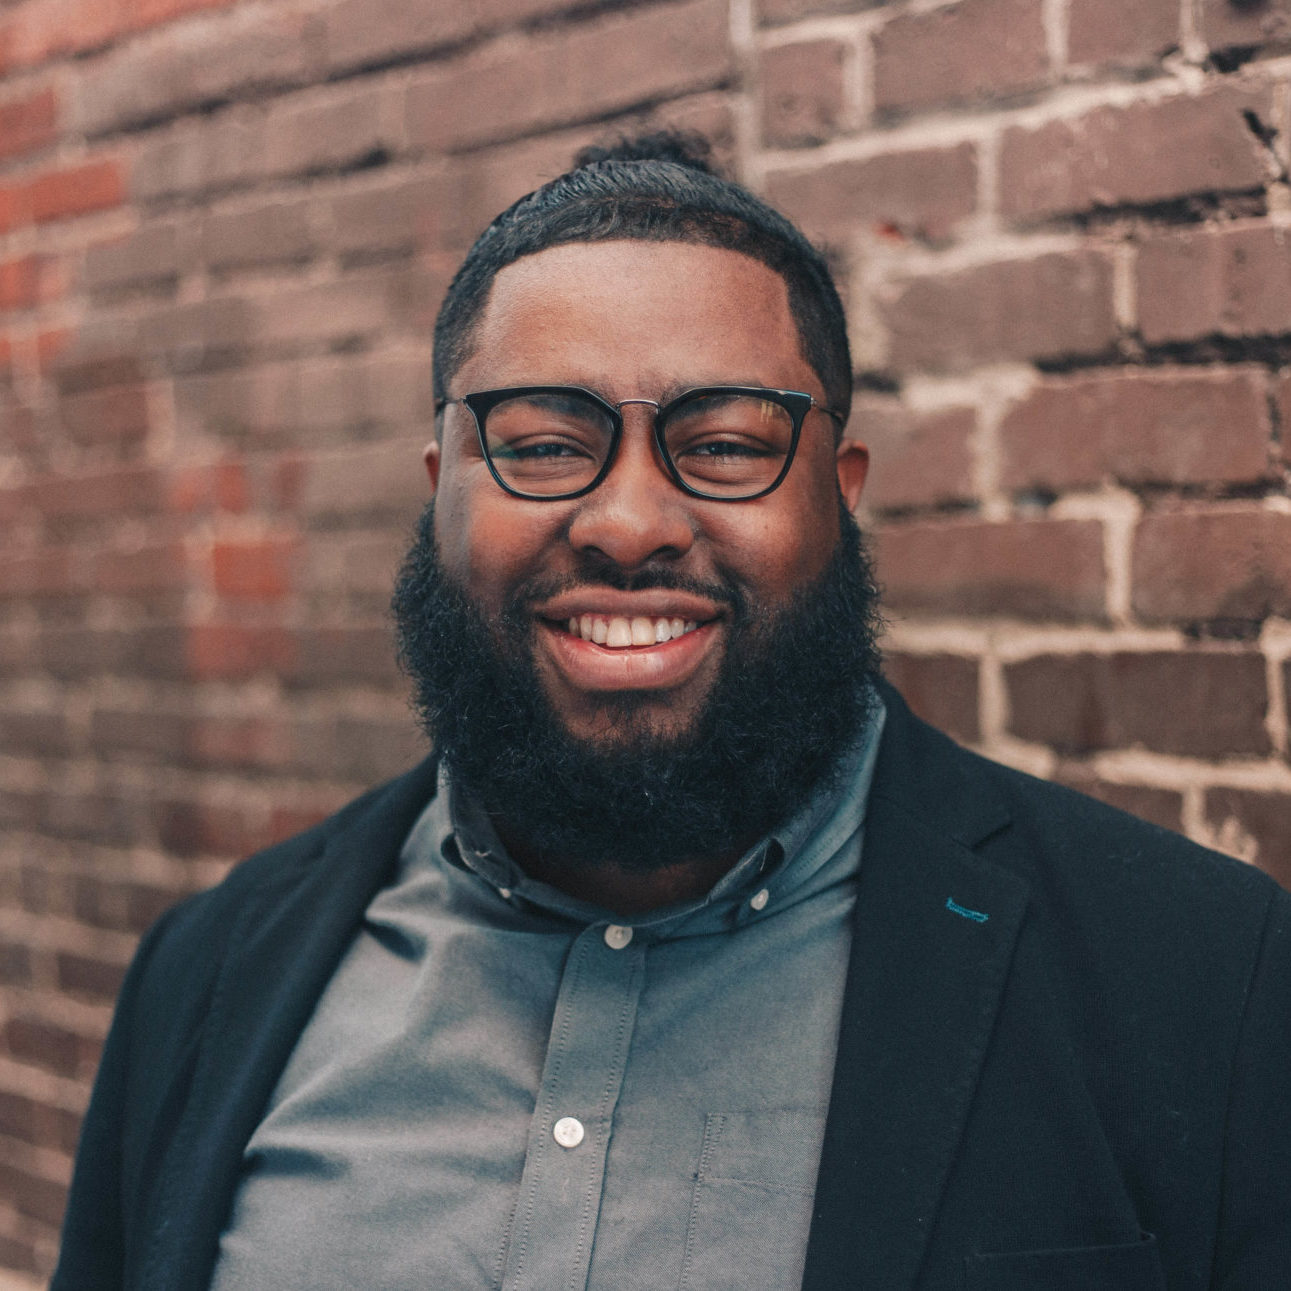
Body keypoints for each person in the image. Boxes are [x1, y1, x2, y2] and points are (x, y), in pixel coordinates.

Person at [53, 133, 1290, 1291]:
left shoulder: (1208, 988)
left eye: (727, 442)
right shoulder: (206, 973)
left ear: (838, 491)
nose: (630, 523)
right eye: (540, 443)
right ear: (439, 490)